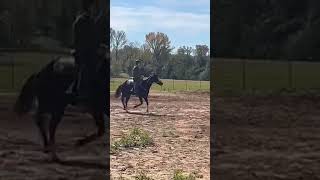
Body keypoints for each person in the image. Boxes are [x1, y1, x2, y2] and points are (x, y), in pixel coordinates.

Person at [70, 0, 101, 103]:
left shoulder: (91, 20)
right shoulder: (81, 21)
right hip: (82, 51)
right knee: (86, 67)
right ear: (88, 7)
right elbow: (81, 40)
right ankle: (80, 92)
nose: (95, 8)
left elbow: (95, 38)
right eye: (93, 6)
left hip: (91, 51)